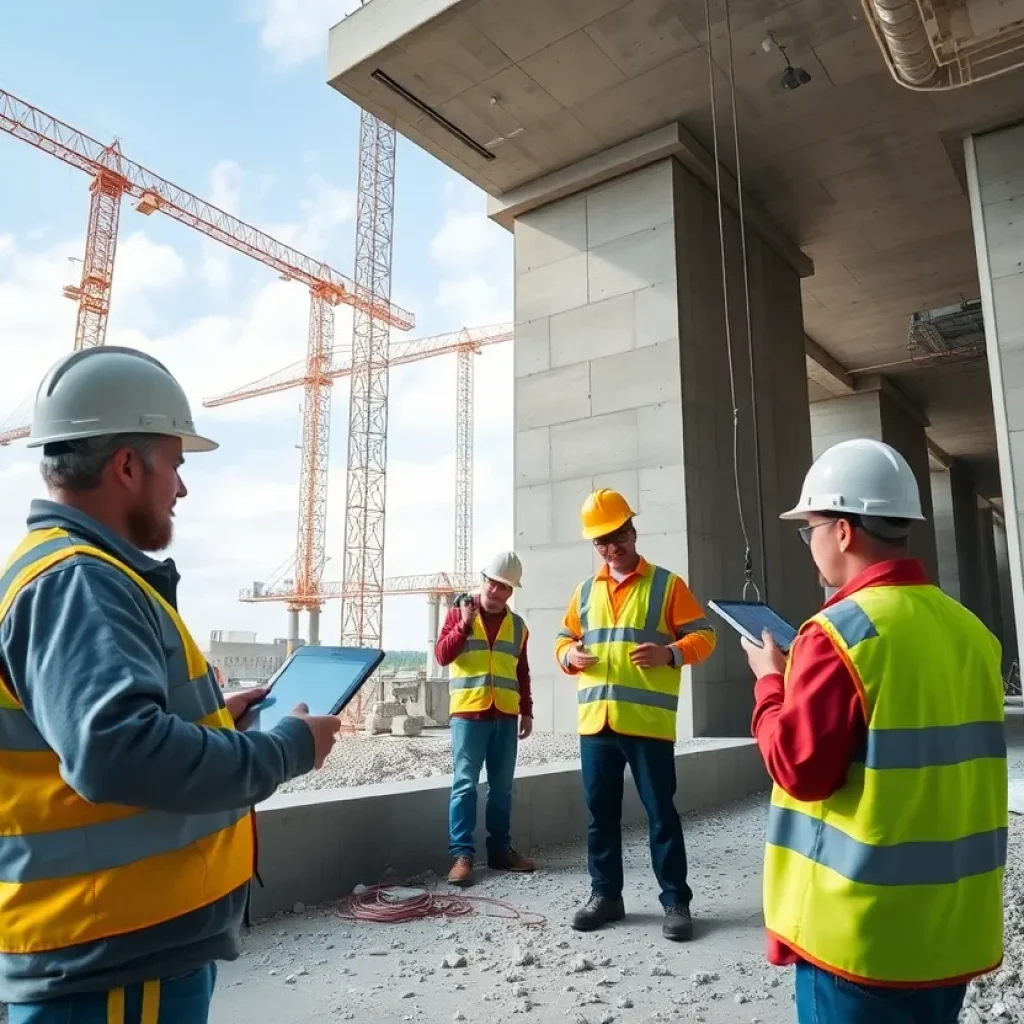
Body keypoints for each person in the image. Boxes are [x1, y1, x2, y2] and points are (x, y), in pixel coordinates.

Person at [0, 346, 343, 1023]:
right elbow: (118, 753)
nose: (181, 489)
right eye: (176, 465)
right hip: (111, 962)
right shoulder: (80, 582)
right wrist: (287, 750)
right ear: (128, 465)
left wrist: (218, 725)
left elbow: (102, 735)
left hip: (117, 952)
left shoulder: (81, 573)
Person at [743, 438, 1006, 1023]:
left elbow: (799, 768)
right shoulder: (970, 632)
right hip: (951, 929)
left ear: (841, 531)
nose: (809, 544)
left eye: (808, 528)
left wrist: (769, 684)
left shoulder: (838, 634)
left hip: (862, 937)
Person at [555, 489, 717, 941]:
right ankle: (606, 896)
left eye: (617, 535)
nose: (612, 546)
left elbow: (704, 637)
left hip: (646, 725)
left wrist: (669, 653)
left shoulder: (667, 585)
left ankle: (675, 901)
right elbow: (561, 640)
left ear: (633, 529)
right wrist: (569, 656)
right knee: (599, 815)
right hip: (597, 724)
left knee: (661, 813)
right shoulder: (584, 592)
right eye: (602, 541)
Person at [436, 551, 536, 887]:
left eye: (504, 587)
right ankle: (463, 855)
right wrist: (464, 624)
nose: (495, 591)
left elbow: (521, 671)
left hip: (506, 715)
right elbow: (442, 655)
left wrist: (528, 710)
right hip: (469, 714)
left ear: (511, 592)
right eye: (492, 583)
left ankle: (500, 852)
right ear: (483, 580)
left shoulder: (518, 626)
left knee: (502, 788)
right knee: (465, 785)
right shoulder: (457, 614)